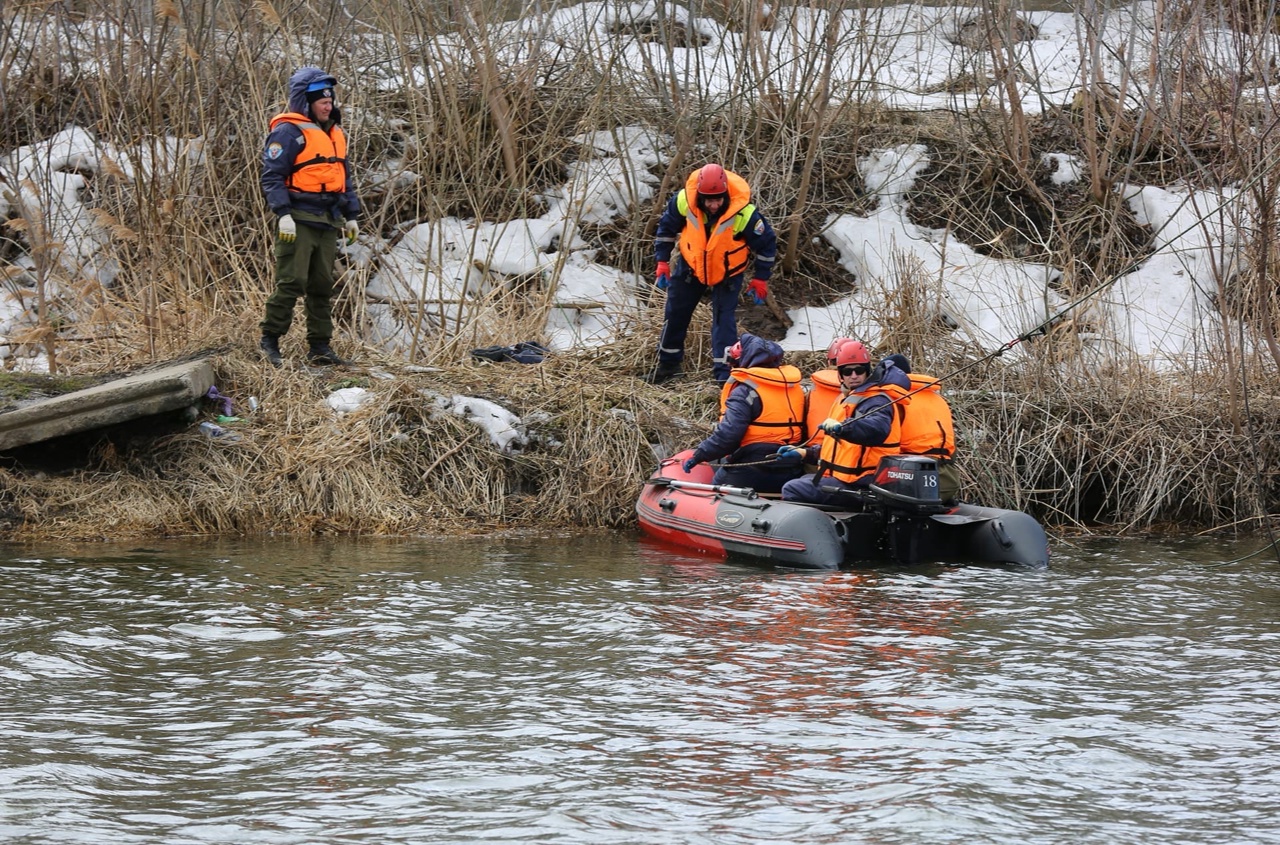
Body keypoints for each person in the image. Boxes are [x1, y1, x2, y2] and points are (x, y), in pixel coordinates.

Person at [259, 66, 361, 368]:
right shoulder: (287, 133)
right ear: (306, 102)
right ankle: (270, 342)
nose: (329, 105)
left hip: (328, 220)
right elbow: (272, 177)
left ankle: (320, 347)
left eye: (331, 100)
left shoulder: (334, 133)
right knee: (291, 281)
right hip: (298, 218)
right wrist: (283, 214)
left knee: (321, 284)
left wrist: (351, 214)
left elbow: (343, 176)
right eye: (322, 101)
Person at [646, 163, 777, 385]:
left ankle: (724, 377)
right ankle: (668, 367)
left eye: (718, 199)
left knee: (723, 322)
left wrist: (760, 278)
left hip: (728, 272)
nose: (714, 204)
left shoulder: (744, 213)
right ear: (700, 196)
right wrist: (662, 262)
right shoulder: (683, 202)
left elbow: (767, 244)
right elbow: (666, 229)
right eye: (708, 200)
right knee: (675, 313)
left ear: (725, 194)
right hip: (690, 266)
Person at [779, 341, 911, 505]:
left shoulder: (877, 400)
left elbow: (877, 429)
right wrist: (805, 453)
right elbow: (840, 449)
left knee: (792, 488)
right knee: (805, 479)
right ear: (840, 375)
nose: (854, 375)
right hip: (846, 479)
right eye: (847, 371)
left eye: (859, 370)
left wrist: (844, 427)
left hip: (864, 484)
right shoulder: (846, 399)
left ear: (867, 371)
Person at [680, 333, 806, 494]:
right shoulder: (795, 389)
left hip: (753, 467)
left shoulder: (745, 392)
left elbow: (728, 435)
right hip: (790, 466)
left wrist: (699, 455)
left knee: (716, 491)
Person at [885, 353, 960, 502]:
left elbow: (886, 448)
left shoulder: (896, 400)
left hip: (913, 482)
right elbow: (952, 451)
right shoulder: (939, 400)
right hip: (948, 481)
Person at [804, 337, 853, 450]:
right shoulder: (867, 390)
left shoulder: (813, 391)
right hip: (847, 452)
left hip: (814, 449)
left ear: (829, 362)